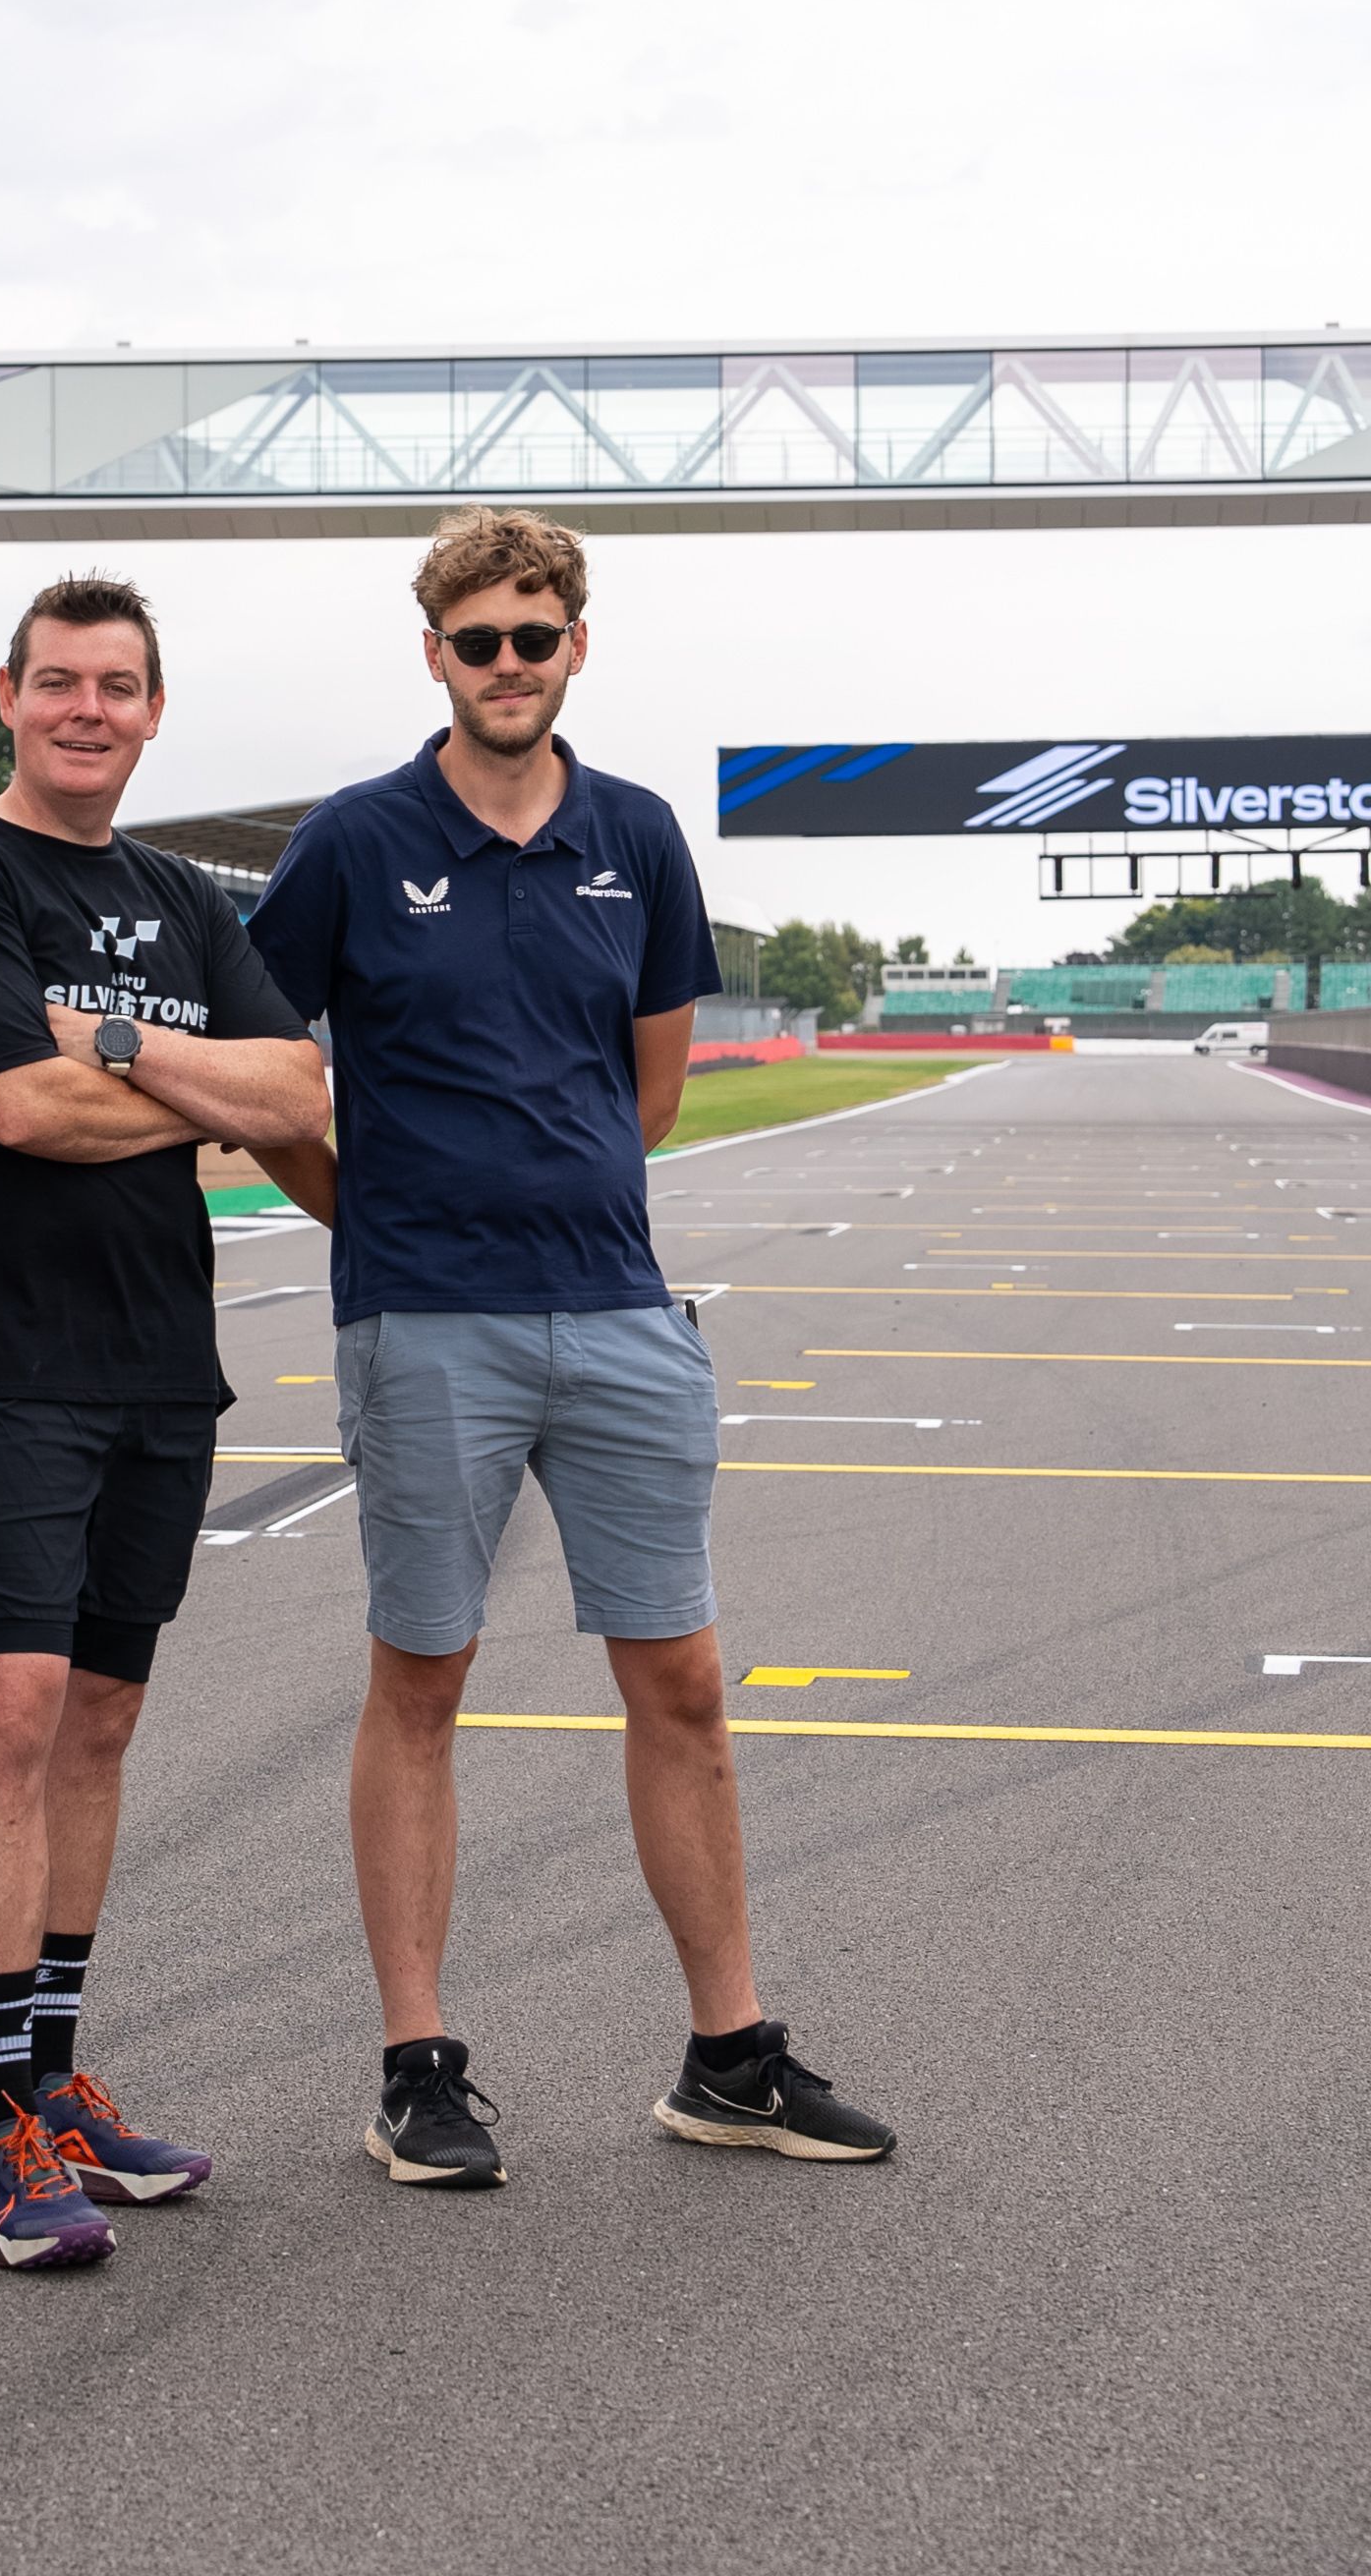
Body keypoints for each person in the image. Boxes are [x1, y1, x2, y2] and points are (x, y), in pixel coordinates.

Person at [244, 505, 896, 2190]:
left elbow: (651, 1086)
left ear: (577, 647)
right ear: (438, 655)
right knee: (424, 1679)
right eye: (479, 641)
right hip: (426, 1317)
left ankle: (730, 2057)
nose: (509, 666)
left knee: (679, 1680)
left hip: (616, 1307)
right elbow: (262, 1082)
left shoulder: (641, 833)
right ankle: (416, 2064)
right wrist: (371, 1220)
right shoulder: (352, 839)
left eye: (536, 638)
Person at [0, 573, 331, 2270]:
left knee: (101, 1731)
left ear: (152, 710)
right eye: (56, 681)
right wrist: (182, 1082)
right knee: (5, 1720)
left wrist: (111, 1039)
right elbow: (9, 1108)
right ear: (9, 695)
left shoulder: (180, 893)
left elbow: (296, 1092)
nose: (85, 709)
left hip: (157, 1364)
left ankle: (57, 2082)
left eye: (116, 686)